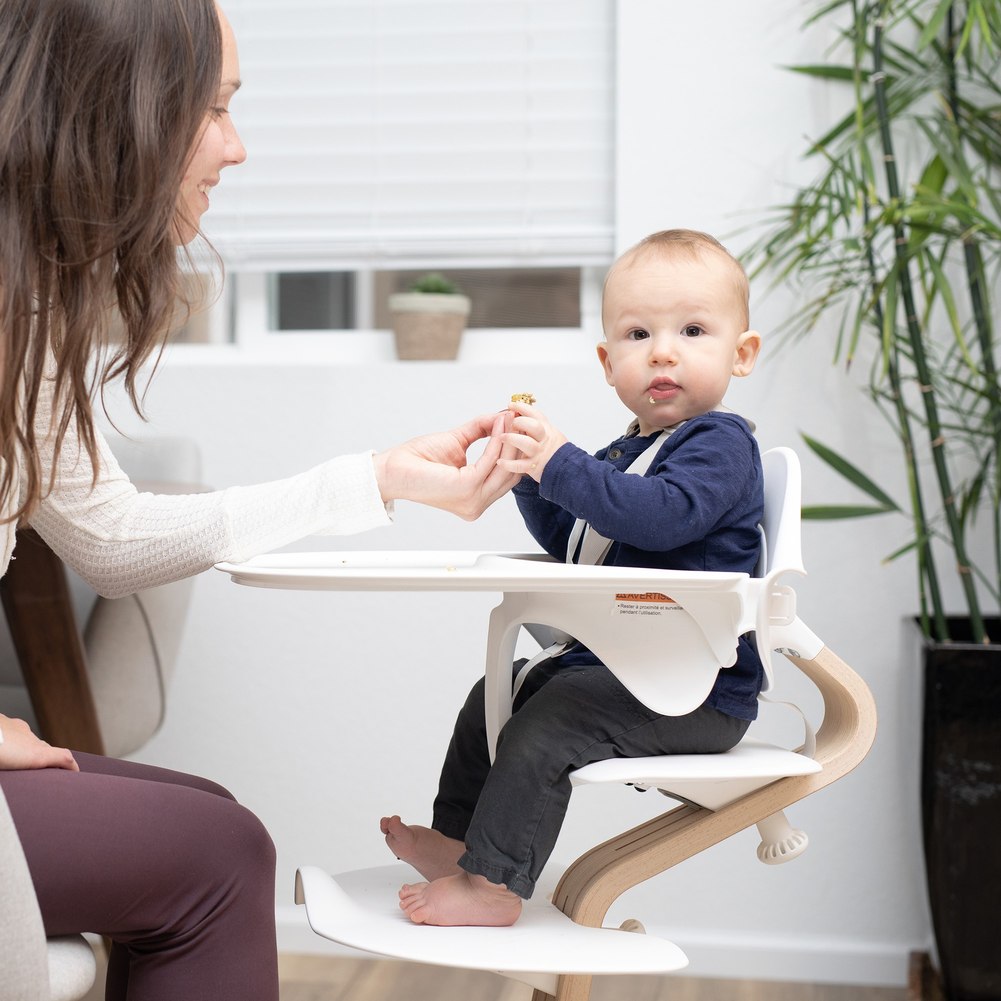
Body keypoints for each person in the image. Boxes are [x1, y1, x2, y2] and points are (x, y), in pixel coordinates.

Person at [0, 2, 518, 999]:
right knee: (218, 856)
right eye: (214, 109)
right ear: (116, 109)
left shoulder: (28, 309)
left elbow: (111, 535)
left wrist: (379, 477)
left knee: (216, 820)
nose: (235, 148)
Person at [381, 228, 765, 927]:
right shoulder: (629, 450)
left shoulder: (720, 443)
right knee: (496, 693)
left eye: (692, 330)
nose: (662, 351)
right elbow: (583, 543)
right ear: (607, 362)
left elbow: (661, 517)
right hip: (625, 669)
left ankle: (494, 886)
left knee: (549, 724)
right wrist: (533, 478)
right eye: (638, 334)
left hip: (693, 688)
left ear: (740, 354)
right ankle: (463, 843)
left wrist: (562, 464)